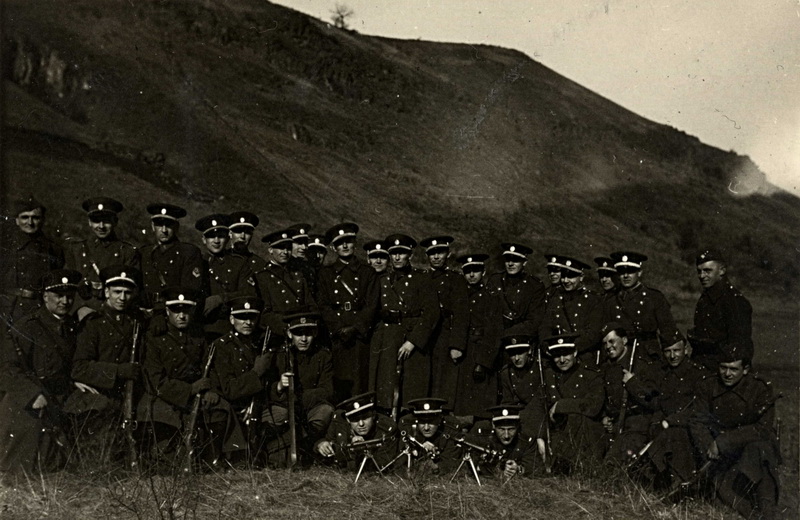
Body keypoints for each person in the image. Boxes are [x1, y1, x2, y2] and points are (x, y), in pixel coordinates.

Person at [137, 287, 235, 468]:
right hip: (165, 395)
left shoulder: (198, 336)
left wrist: (209, 389)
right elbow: (155, 380)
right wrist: (190, 390)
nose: (181, 316)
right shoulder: (154, 338)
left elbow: (210, 366)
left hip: (196, 391)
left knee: (220, 408)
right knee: (163, 421)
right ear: (167, 311)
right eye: (176, 310)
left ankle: (212, 458)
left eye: (186, 310)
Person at [0, 269, 81, 475]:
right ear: (45, 297)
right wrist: (32, 393)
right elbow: (9, 368)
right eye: (58, 296)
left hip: (62, 392)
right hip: (34, 393)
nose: (65, 301)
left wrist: (76, 381)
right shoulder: (28, 326)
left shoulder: (73, 326)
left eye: (69, 296)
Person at [689, 341, 781, 519]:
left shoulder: (760, 389)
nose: (727, 374)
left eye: (733, 369)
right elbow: (697, 421)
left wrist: (723, 442)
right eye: (723, 368)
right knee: (727, 494)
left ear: (745, 369)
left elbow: (763, 429)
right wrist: (709, 447)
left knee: (761, 451)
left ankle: (768, 513)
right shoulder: (707, 386)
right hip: (719, 457)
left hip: (748, 452)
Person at [64, 265, 144, 464]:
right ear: (106, 292)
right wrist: (117, 371)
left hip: (132, 393)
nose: (122, 298)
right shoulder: (93, 322)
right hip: (100, 391)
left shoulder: (139, 321)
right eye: (117, 292)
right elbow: (79, 367)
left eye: (127, 292)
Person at [369, 234, 440, 413]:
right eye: (394, 254)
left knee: (412, 393)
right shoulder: (383, 280)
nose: (397, 258)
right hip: (389, 340)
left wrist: (413, 341)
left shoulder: (422, 278)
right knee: (387, 391)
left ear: (410, 255)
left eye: (402, 253)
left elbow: (432, 313)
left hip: (413, 341)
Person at [633, 330, 706, 489]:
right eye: (667, 351)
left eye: (677, 350)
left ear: (686, 349)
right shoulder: (661, 373)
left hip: (685, 428)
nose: (672, 356)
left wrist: (671, 421)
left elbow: (699, 409)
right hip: (661, 426)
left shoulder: (698, 374)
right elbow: (655, 402)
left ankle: (680, 487)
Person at [317, 223, 379, 402]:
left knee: (360, 381)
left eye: (348, 241)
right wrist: (338, 329)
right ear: (333, 247)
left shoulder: (368, 273)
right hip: (336, 336)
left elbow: (371, 305)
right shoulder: (325, 274)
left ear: (355, 244)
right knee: (338, 380)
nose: (344, 246)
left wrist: (355, 328)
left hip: (359, 336)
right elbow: (323, 305)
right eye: (340, 243)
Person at [209, 296, 271, 466]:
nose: (247, 322)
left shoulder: (260, 345)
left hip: (259, 407)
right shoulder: (222, 346)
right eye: (242, 318)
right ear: (231, 319)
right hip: (232, 409)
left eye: (251, 317)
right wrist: (256, 373)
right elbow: (229, 389)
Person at [265, 310, 334, 461]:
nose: (303, 339)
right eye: (298, 333)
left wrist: (300, 398)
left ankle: (303, 448)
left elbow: (327, 390)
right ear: (290, 334)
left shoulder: (323, 356)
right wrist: (279, 386)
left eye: (308, 333)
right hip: (282, 407)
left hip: (308, 408)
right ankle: (271, 450)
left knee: (325, 411)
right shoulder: (279, 355)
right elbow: (266, 389)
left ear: (315, 333)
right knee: (277, 418)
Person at [532, 333, 605, 475]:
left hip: (584, 442)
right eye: (557, 356)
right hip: (557, 439)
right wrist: (540, 436)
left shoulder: (591, 375)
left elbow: (593, 406)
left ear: (575, 352)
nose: (562, 360)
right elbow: (537, 406)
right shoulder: (547, 376)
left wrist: (560, 406)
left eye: (566, 354)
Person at [65, 197, 140, 319]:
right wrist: (79, 308)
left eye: (106, 221)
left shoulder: (127, 252)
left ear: (115, 222)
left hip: (113, 316)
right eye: (96, 221)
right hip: (80, 315)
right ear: (89, 222)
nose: (101, 226)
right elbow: (67, 286)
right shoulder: (77, 250)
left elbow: (133, 289)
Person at [604, 252, 680, 365]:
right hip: (621, 357)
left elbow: (668, 331)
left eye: (630, 271)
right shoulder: (611, 302)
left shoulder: (654, 298)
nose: (625, 276)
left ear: (639, 272)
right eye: (621, 272)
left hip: (649, 357)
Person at [419, 236, 469, 409]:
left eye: (440, 252)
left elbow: (462, 315)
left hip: (445, 334)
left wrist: (457, 345)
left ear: (448, 254)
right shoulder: (421, 278)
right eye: (432, 253)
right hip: (424, 335)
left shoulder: (456, 280)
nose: (436, 257)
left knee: (443, 380)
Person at [0, 196, 65, 327]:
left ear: (43, 220)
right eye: (25, 217)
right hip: (7, 308)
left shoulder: (53, 249)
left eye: (35, 218)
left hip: (38, 308)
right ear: (17, 220)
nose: (30, 222)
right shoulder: (5, 247)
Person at [452, 254, 503, 419]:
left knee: (481, 405)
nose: (472, 275)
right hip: (463, 353)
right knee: (462, 404)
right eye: (467, 271)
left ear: (484, 272)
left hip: (481, 353)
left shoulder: (491, 297)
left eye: (476, 270)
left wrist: (482, 362)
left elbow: (494, 332)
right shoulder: (460, 296)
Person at [599, 323, 654, 463]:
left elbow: (653, 401)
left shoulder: (640, 365)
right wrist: (605, 417)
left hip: (636, 426)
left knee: (612, 464)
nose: (608, 346)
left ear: (624, 341)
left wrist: (632, 383)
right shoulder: (606, 368)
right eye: (605, 343)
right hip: (615, 425)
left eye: (612, 341)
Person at [690, 249, 753, 372]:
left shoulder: (734, 301)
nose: (702, 276)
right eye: (699, 271)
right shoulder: (706, 297)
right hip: (702, 367)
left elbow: (739, 346)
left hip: (722, 372)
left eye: (707, 271)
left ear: (722, 270)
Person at [195, 214, 254, 340]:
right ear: (204, 239)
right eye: (211, 236)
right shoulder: (196, 262)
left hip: (229, 328)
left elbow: (249, 293)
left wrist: (221, 298)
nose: (216, 241)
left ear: (227, 238)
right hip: (201, 329)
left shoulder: (239, 263)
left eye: (220, 236)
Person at [254, 229, 316, 346]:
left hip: (301, 334)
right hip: (276, 337)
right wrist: (287, 328)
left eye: (288, 248)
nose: (285, 252)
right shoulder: (262, 277)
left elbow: (310, 304)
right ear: (271, 250)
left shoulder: (298, 275)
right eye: (280, 248)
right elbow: (264, 314)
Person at [539, 256, 604, 366]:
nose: (566, 281)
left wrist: (568, 348)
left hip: (582, 357)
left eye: (571, 276)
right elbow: (545, 328)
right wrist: (548, 347)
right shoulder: (555, 299)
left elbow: (593, 333)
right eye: (563, 276)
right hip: (557, 357)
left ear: (581, 277)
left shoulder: (593, 300)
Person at [140, 203, 204, 312]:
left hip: (174, 314)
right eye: (159, 225)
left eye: (168, 225)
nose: (164, 230)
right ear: (152, 226)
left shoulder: (188, 253)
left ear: (176, 227)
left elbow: (189, 291)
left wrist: (160, 311)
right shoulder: (144, 253)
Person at [314, 391, 398, 472]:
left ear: (373, 415)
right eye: (355, 420)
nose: (361, 424)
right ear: (348, 419)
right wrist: (321, 444)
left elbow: (382, 466)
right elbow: (327, 442)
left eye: (365, 418)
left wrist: (360, 451)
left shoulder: (386, 428)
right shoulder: (340, 421)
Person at [485, 242, 546, 338]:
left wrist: (506, 333)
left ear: (524, 262)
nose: (510, 264)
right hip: (493, 338)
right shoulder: (495, 281)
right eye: (507, 259)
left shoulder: (534, 286)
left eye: (516, 260)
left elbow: (534, 321)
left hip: (520, 339)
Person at [467, 404, 538, 480]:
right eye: (501, 429)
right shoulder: (481, 434)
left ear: (518, 426)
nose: (506, 436)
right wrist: (496, 471)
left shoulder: (526, 438)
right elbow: (468, 466)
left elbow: (537, 468)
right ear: (493, 425)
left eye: (511, 429)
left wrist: (519, 469)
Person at [395, 397, 465, 474]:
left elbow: (450, 463)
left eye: (431, 422)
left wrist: (434, 466)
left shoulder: (451, 428)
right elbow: (400, 461)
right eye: (422, 422)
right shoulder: (407, 425)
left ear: (439, 420)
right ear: (416, 420)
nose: (426, 428)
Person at [228, 211, 268, 278]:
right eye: (238, 231)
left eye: (247, 232)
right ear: (230, 233)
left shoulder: (259, 264)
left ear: (252, 235)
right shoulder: (220, 260)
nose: (242, 236)